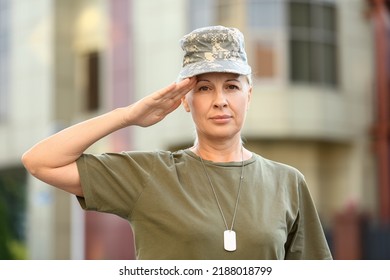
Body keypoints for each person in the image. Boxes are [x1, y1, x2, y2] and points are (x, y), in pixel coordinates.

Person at [22, 25, 332, 260]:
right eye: (205, 88)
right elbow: (40, 161)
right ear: (185, 100)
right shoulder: (149, 175)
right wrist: (128, 115)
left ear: (248, 95)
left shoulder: (287, 183)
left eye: (232, 86)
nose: (220, 101)